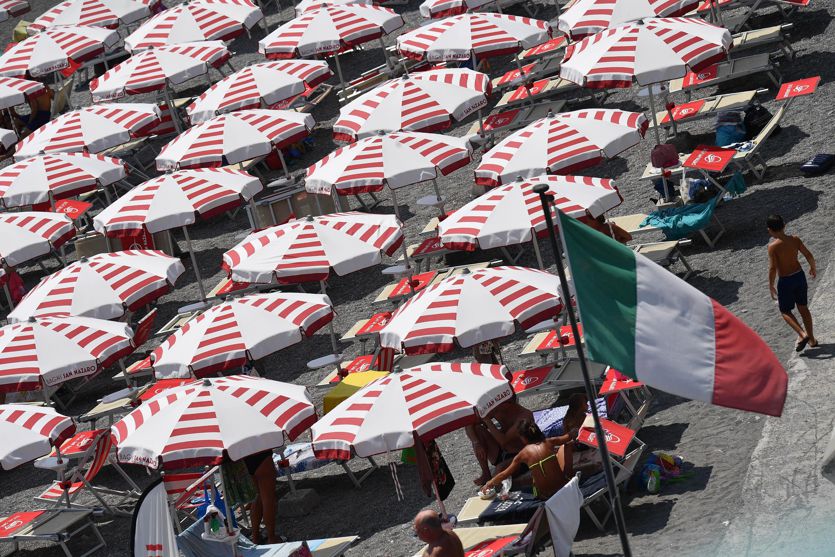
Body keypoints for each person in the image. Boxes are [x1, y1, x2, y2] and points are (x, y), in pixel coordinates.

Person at [479, 420, 574, 501]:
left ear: (523, 438)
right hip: (562, 488)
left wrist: (489, 483)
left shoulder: (522, 454)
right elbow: (569, 436)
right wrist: (576, 430)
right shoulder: (550, 441)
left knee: (534, 478)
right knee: (564, 447)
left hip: (545, 496)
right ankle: (568, 478)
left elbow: (504, 474)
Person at [767, 214, 817, 351]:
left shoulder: (773, 247)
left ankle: (802, 334)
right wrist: (813, 267)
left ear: (769, 230)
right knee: (803, 308)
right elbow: (808, 254)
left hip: (786, 281)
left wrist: (771, 285)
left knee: (785, 311)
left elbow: (772, 268)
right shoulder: (795, 239)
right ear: (784, 226)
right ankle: (812, 340)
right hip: (799, 277)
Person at [466, 396, 533, 485]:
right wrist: (476, 442)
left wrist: (486, 420)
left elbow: (503, 440)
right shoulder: (499, 410)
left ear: (507, 403)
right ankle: (486, 473)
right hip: (502, 452)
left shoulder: (524, 417)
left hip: (519, 455)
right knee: (478, 429)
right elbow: (468, 424)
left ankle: (517, 482)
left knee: (497, 476)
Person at [242, 450, 279, 544]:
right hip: (261, 454)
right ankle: (271, 538)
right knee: (268, 498)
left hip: (245, 458)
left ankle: (255, 537)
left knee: (258, 496)